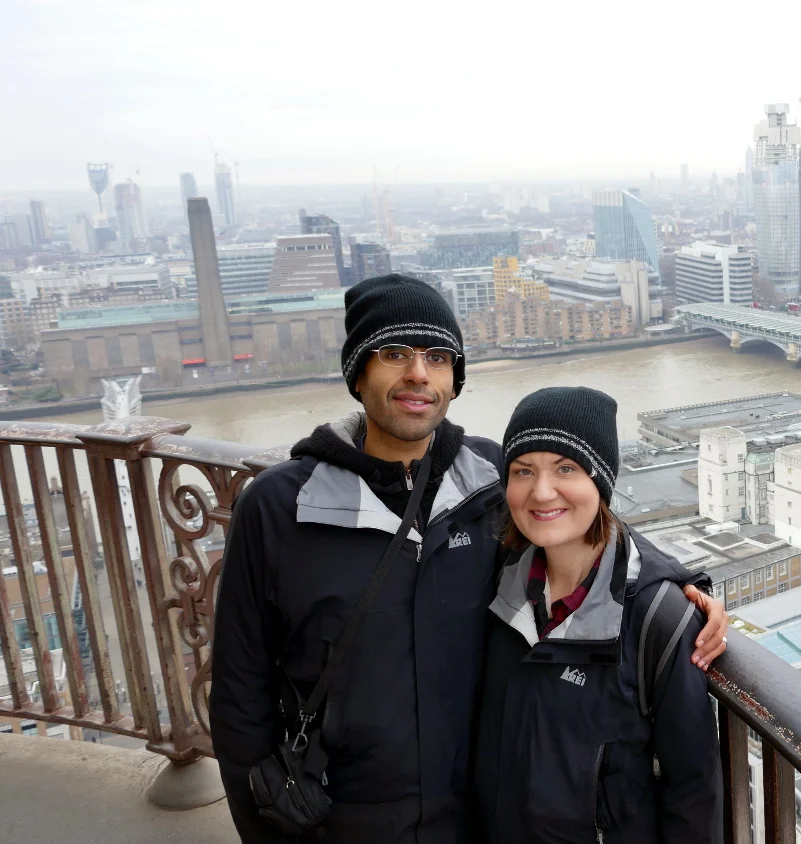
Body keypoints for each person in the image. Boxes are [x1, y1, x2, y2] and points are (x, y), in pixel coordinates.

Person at [211, 274, 729, 844]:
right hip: (339, 819)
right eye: (394, 353)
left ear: (455, 379)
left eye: (437, 356)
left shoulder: (489, 481)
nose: (418, 373)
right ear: (358, 373)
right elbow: (240, 696)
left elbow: (581, 519)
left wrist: (683, 584)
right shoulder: (282, 507)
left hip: (471, 818)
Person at [473, 386, 722, 843]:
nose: (541, 491)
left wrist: (679, 581)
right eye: (522, 470)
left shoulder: (657, 620)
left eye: (566, 468)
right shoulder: (497, 585)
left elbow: (693, 791)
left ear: (601, 483)